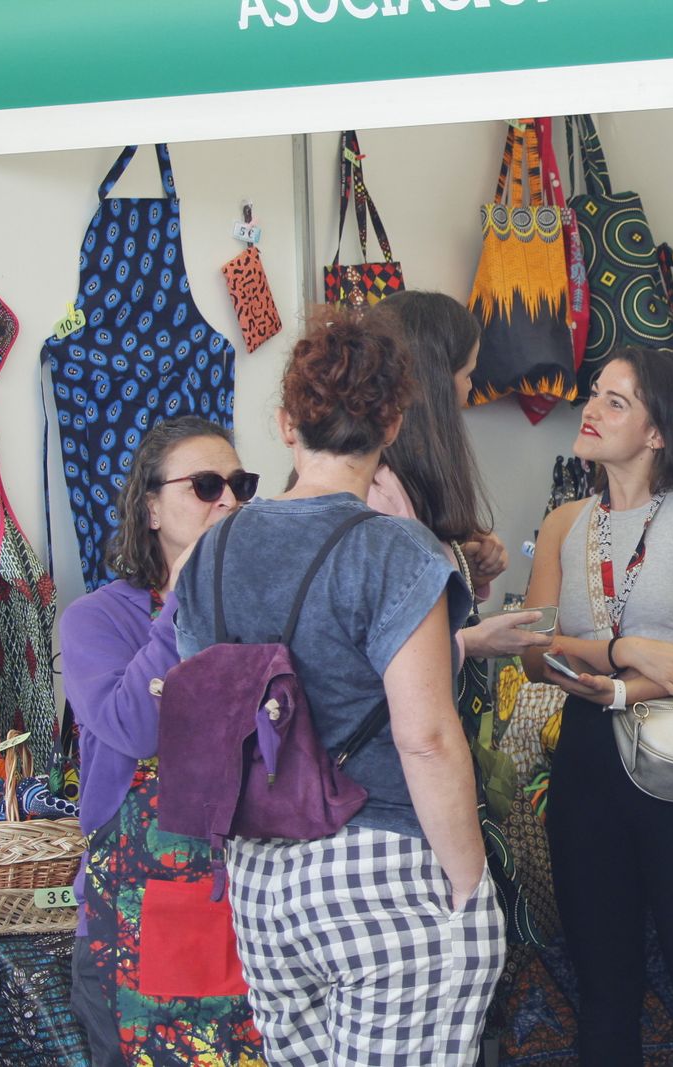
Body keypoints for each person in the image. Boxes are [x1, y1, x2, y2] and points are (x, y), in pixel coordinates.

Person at [174, 313, 501, 1066]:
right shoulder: (395, 551)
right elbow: (426, 735)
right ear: (392, 420)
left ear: (288, 422)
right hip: (379, 862)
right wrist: (470, 887)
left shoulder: (210, 551)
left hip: (260, 876)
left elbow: (207, 715)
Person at [522, 347, 673, 1066]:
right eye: (593, 395)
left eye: (616, 401)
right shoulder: (565, 523)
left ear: (658, 432)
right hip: (586, 760)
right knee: (603, 988)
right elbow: (536, 652)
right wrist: (625, 650)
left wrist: (627, 685)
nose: (591, 409)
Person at [60, 415, 263, 1066]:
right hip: (132, 925)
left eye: (240, 484)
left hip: (252, 912)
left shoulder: (258, 615)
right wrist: (183, 596)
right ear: (150, 507)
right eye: (206, 485)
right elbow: (133, 725)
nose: (228, 500)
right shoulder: (96, 620)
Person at [364, 289, 554, 944]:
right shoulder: (380, 493)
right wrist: (474, 639)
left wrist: (465, 568)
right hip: (400, 784)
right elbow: (374, 655)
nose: (473, 389)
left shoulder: (400, 487)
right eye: (468, 374)